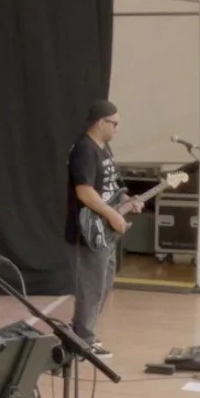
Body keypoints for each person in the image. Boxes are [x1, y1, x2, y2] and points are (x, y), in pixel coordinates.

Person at [65, 100, 141, 356]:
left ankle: (83, 333)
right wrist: (112, 215)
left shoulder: (104, 149)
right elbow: (85, 192)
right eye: (115, 124)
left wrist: (126, 202)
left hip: (104, 229)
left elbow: (108, 188)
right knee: (91, 286)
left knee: (103, 284)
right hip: (89, 230)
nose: (117, 129)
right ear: (101, 122)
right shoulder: (84, 150)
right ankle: (82, 339)